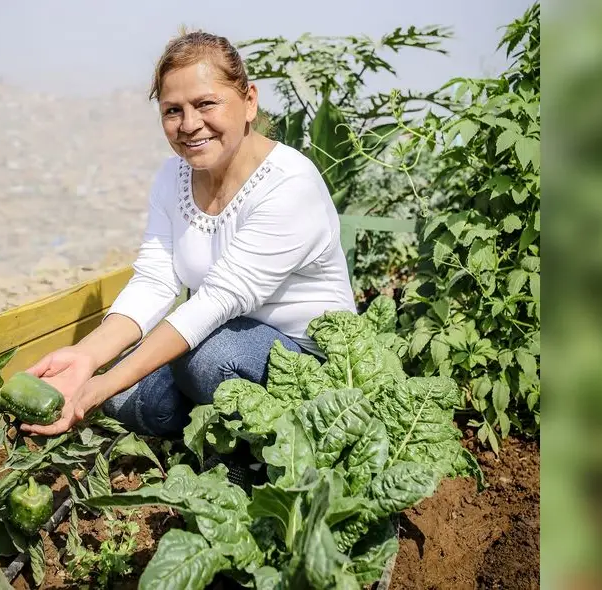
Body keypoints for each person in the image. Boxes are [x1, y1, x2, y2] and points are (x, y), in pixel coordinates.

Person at [20, 30, 356, 438]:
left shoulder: (289, 184)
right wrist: (86, 357)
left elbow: (216, 301)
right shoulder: (172, 177)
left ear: (249, 101)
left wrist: (98, 386)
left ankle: (266, 456)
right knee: (128, 399)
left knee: (206, 361)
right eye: (172, 110)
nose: (189, 125)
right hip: (217, 335)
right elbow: (156, 280)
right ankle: (218, 434)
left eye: (205, 104)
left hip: (303, 357)